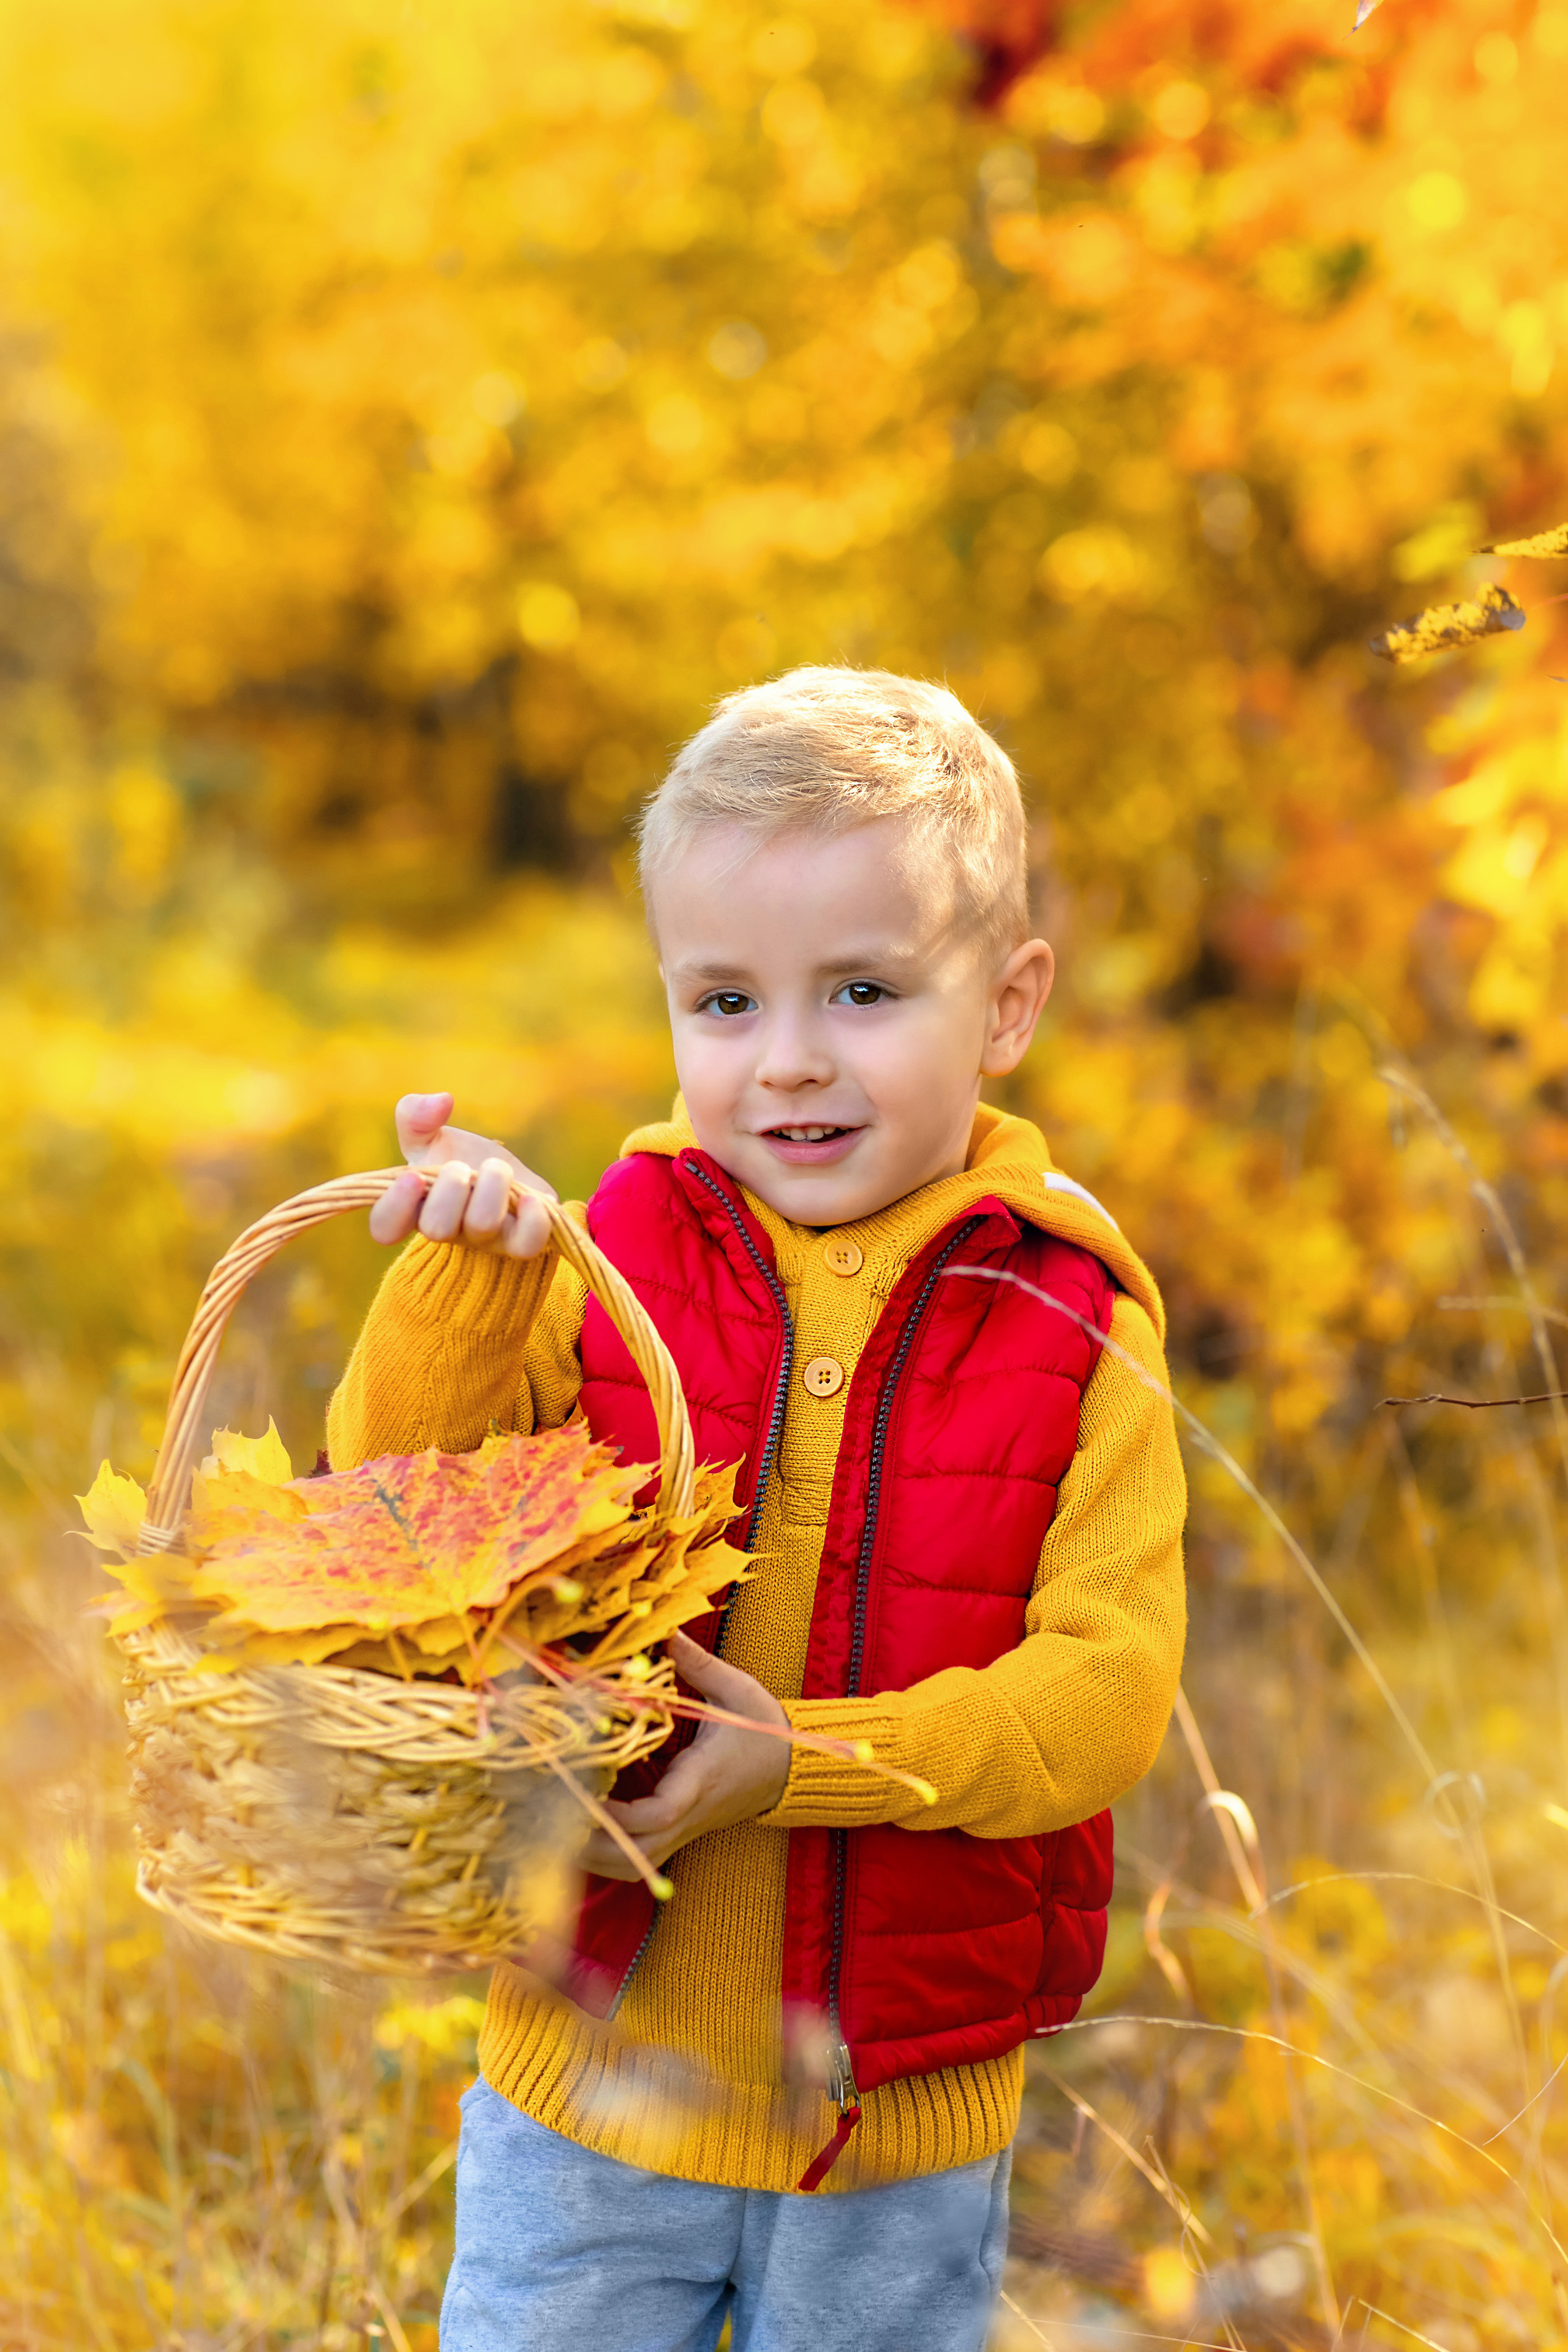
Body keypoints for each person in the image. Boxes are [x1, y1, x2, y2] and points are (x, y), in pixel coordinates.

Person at [328, 666, 1187, 2352]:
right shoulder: (609, 1252)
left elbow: (1106, 1695)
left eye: (862, 990)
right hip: (589, 2076)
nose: (788, 1063)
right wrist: (459, 1288)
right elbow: (402, 1524)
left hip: (894, 2120)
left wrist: (808, 1761)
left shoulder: (1075, 1314)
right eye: (723, 1003)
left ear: (1009, 1004)